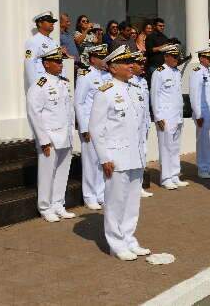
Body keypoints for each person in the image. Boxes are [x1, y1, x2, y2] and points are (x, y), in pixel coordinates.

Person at [89, 45, 150, 261]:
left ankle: (129, 239)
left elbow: (140, 125)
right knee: (115, 203)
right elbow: (96, 128)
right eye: (126, 63)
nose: (131, 66)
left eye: (131, 62)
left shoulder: (135, 89)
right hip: (116, 157)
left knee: (132, 203)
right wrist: (104, 157)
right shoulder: (105, 92)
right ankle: (116, 244)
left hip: (135, 155)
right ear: (113, 68)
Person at [26, 47, 75, 223]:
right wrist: (43, 140)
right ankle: (45, 207)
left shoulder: (63, 82)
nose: (60, 64)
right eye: (56, 61)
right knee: (47, 174)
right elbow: (34, 113)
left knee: (62, 173)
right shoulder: (39, 84)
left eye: (61, 61)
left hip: (65, 136)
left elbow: (69, 112)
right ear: (46, 64)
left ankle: (58, 205)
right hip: (50, 137)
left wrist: (71, 134)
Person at [75, 44, 112, 210]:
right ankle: (89, 195)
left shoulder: (106, 75)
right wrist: (83, 127)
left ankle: (101, 193)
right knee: (90, 162)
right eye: (101, 57)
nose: (104, 59)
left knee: (101, 159)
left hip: (104, 125)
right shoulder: (85, 75)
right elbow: (79, 102)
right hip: (90, 125)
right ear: (92, 59)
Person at [150, 44, 187, 190]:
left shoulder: (176, 72)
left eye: (178, 57)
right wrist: (158, 116)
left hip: (177, 116)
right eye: (174, 56)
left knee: (175, 147)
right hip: (165, 116)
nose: (177, 59)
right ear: (166, 57)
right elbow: (155, 95)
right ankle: (166, 178)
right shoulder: (159, 73)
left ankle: (174, 175)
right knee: (166, 147)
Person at [189, 47, 210, 179]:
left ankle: (209, 166)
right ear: (201, 58)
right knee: (203, 141)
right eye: (207, 57)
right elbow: (194, 94)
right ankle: (202, 168)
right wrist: (198, 114)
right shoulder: (197, 71)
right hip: (202, 112)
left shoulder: (208, 71)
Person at [129, 52, 154, 198]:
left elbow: (145, 104)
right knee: (133, 155)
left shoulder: (142, 81)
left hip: (143, 124)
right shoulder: (128, 81)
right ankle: (132, 187)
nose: (142, 66)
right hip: (132, 125)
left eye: (143, 63)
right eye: (139, 63)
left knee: (142, 154)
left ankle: (139, 185)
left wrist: (148, 120)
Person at [24, 11, 59, 91]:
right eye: (49, 21)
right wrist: (35, 87)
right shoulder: (33, 41)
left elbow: (58, 62)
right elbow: (29, 63)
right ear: (40, 23)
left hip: (55, 81)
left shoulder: (54, 42)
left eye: (52, 22)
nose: (52, 23)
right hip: (42, 83)